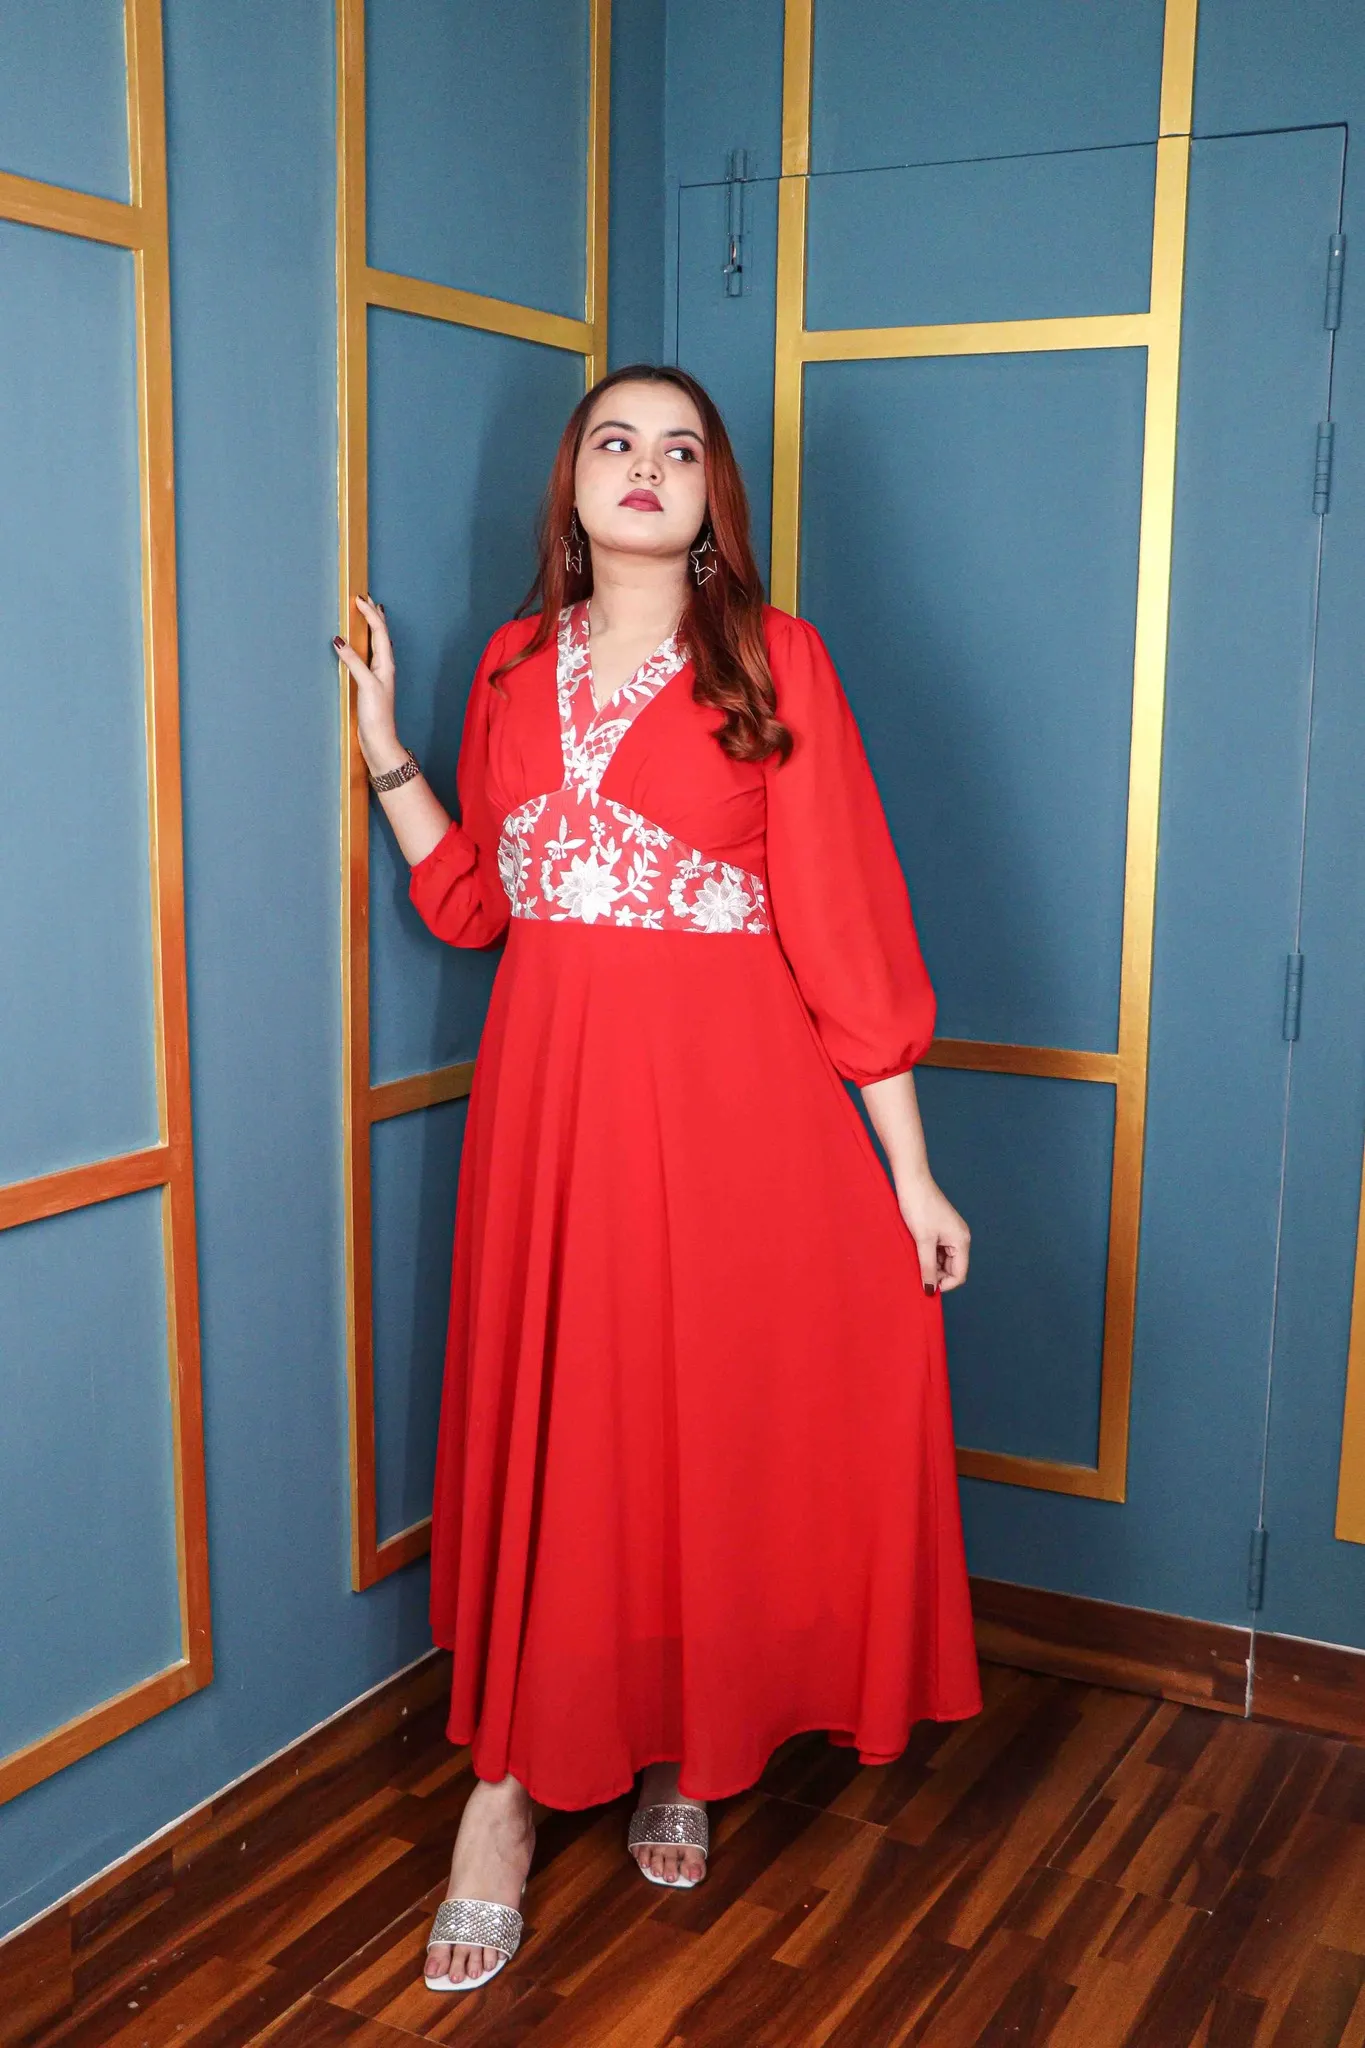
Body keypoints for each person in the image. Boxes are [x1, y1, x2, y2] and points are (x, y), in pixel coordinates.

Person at [332, 363, 982, 1994]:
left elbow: (843, 924)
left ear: (710, 501)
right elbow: (477, 908)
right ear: (573, 486)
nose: (645, 466)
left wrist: (911, 1175)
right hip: (551, 1118)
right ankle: (502, 1798)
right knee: (576, 1425)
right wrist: (390, 753)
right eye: (615, 442)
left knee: (703, 1423)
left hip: (736, 1116)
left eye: (679, 450)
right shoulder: (508, 668)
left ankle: (689, 1744)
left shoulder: (775, 659)